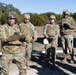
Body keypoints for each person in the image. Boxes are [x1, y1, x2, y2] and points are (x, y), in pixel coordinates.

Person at [0, 11, 26, 75]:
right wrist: (13, 37)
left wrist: (23, 38)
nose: (10, 20)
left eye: (11, 19)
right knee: (4, 72)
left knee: (23, 70)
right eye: (8, 18)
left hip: (18, 51)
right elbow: (3, 38)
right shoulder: (3, 27)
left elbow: (24, 36)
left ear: (15, 19)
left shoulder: (19, 27)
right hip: (7, 52)